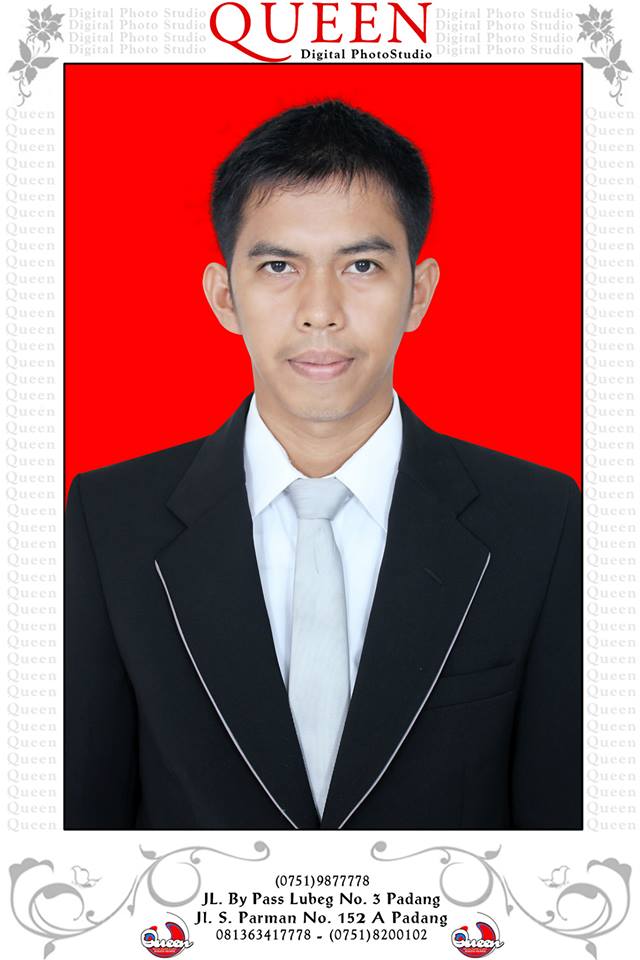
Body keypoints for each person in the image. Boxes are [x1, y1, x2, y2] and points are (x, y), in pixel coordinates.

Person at [65, 99, 581, 830]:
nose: (320, 311)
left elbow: (563, 832)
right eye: (279, 266)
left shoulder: (541, 520)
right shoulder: (108, 519)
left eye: (361, 265)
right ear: (224, 296)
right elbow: (82, 823)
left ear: (419, 293)